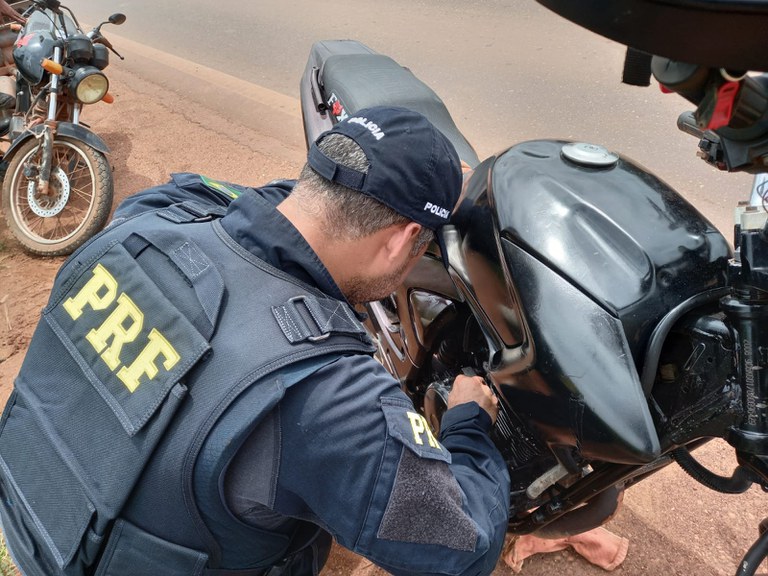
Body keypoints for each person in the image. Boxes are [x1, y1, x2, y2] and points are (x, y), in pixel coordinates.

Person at [0, 106, 510, 576]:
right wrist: (467, 424)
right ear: (402, 239)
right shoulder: (325, 395)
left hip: (38, 522)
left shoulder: (149, 218)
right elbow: (463, 550)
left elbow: (256, 203)